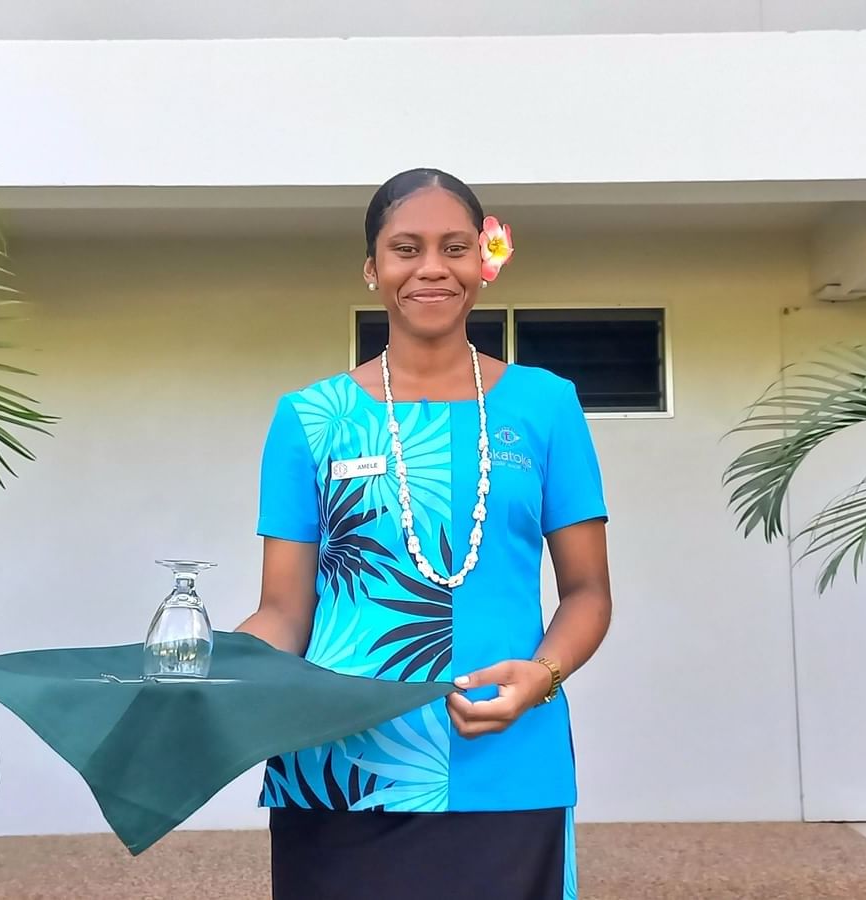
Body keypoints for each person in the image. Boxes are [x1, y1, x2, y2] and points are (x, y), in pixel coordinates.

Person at [237, 168, 613, 900]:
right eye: (405, 249)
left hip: (508, 758)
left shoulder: (546, 405)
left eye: (455, 247)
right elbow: (284, 611)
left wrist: (544, 676)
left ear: (485, 261)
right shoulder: (309, 419)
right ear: (373, 270)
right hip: (340, 768)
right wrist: (208, 672)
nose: (432, 268)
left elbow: (588, 592)